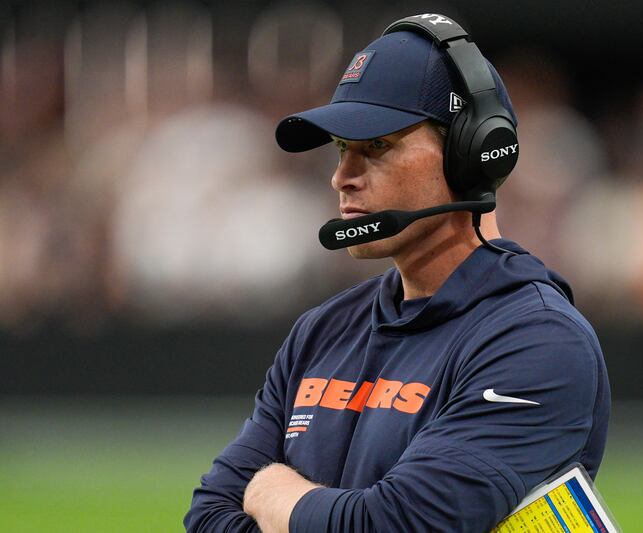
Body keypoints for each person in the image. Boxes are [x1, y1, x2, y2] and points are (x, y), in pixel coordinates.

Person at [185, 14, 610, 533]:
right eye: (343, 149)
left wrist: (270, 487)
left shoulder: (537, 342)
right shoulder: (321, 331)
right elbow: (208, 518)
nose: (342, 176)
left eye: (376, 147)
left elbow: (393, 526)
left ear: (471, 153)